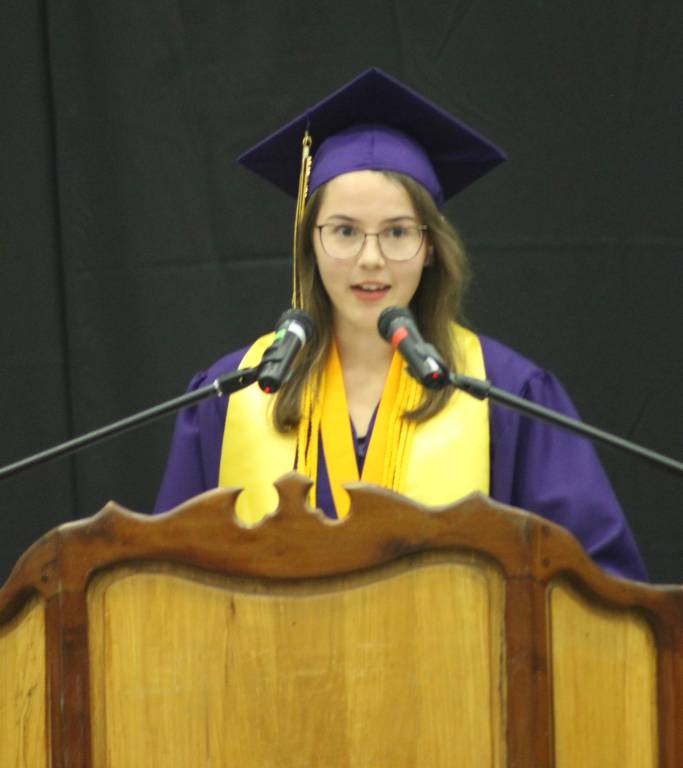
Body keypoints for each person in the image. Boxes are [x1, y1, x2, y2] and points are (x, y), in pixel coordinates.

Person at [155, 67, 646, 581]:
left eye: (397, 232)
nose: (371, 258)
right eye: (344, 231)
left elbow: (598, 585)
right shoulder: (235, 396)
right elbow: (165, 583)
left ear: (431, 246)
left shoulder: (505, 394)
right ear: (309, 243)